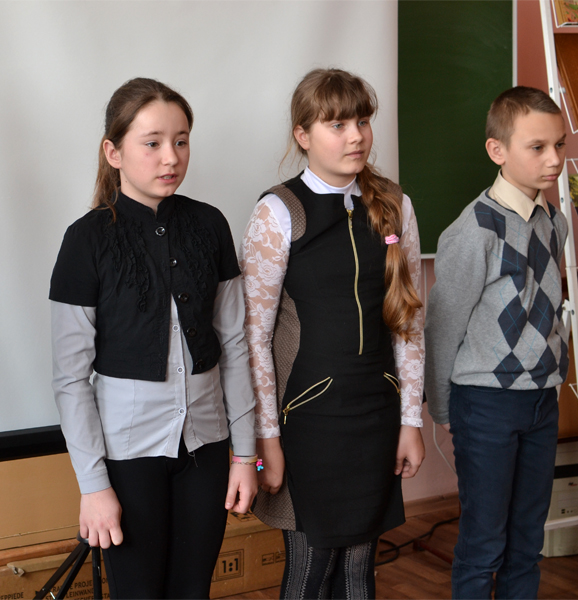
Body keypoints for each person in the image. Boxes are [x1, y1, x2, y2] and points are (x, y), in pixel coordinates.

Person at [49, 77, 257, 599]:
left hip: (207, 449)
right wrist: (93, 486)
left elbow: (234, 347)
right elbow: (70, 379)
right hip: (127, 457)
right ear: (113, 152)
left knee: (193, 590)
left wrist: (244, 456)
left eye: (181, 141)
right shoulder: (85, 239)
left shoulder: (210, 225)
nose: (171, 157)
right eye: (153, 143)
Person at [241, 68, 426, 599]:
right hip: (307, 422)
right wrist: (266, 441)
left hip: (375, 415)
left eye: (363, 122)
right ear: (302, 135)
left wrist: (410, 422)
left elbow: (409, 323)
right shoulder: (278, 212)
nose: (356, 137)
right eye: (338, 125)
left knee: (359, 568)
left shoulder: (395, 205)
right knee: (312, 564)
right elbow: (254, 338)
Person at [425, 86, 569, 599]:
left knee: (527, 541)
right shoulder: (474, 230)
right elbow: (443, 324)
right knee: (484, 542)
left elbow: (546, 306)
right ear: (497, 150)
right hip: (486, 402)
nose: (554, 160)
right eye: (538, 147)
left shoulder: (553, 221)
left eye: (559, 145)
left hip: (541, 399)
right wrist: (443, 407)